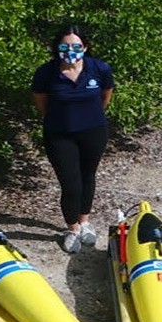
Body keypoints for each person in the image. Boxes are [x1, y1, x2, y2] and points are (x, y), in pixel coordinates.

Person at [31, 28, 114, 253]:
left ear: (85, 47)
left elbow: (106, 95)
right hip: (59, 134)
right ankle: (72, 228)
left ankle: (85, 222)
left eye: (76, 46)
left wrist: (90, 116)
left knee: (88, 177)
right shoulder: (46, 73)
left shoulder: (99, 68)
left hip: (93, 131)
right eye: (64, 46)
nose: (71, 51)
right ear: (56, 49)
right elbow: (41, 103)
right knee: (70, 184)